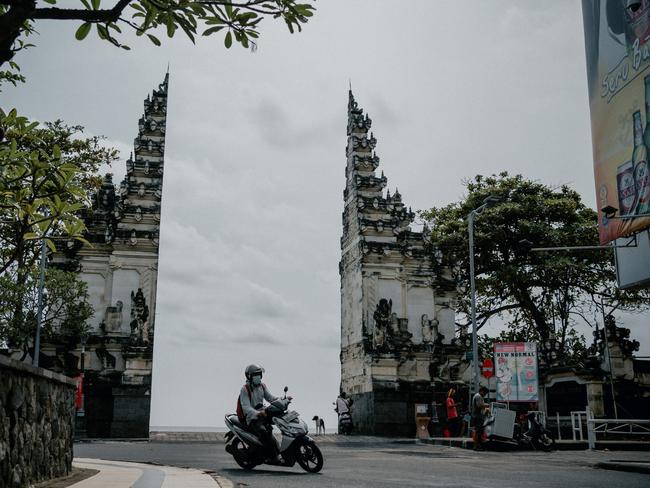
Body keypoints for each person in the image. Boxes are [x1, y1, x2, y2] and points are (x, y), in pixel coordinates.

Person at [237, 364, 280, 461]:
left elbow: (270, 398)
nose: (258, 377)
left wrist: (282, 400)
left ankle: (276, 450)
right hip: (252, 418)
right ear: (249, 376)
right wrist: (257, 413)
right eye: (255, 375)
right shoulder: (245, 389)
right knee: (263, 432)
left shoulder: (262, 386)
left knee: (273, 426)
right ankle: (272, 456)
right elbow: (246, 407)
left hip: (263, 414)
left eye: (259, 374)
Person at [471, 386, 489, 451]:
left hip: (478, 416)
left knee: (479, 432)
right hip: (477, 417)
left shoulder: (479, 396)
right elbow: (479, 405)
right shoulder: (478, 396)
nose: (485, 395)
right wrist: (487, 405)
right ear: (482, 391)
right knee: (478, 432)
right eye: (485, 393)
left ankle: (478, 446)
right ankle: (476, 446)